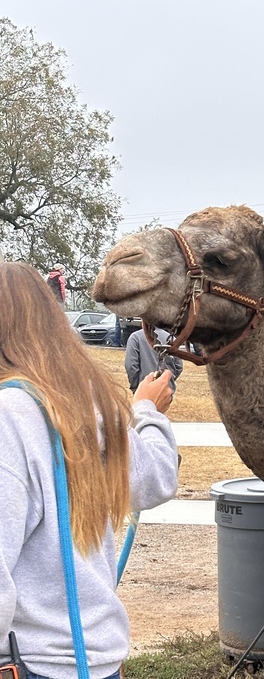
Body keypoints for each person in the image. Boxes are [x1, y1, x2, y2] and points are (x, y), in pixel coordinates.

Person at [0, 261, 179, 679]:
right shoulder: (88, 402)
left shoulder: (8, 417)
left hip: (34, 662)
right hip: (96, 661)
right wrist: (146, 411)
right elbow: (155, 478)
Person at [124, 326, 183, 395]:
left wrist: (135, 386)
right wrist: (168, 380)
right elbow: (178, 366)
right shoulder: (171, 339)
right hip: (166, 390)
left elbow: (131, 366)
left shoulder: (135, 338)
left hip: (144, 389)